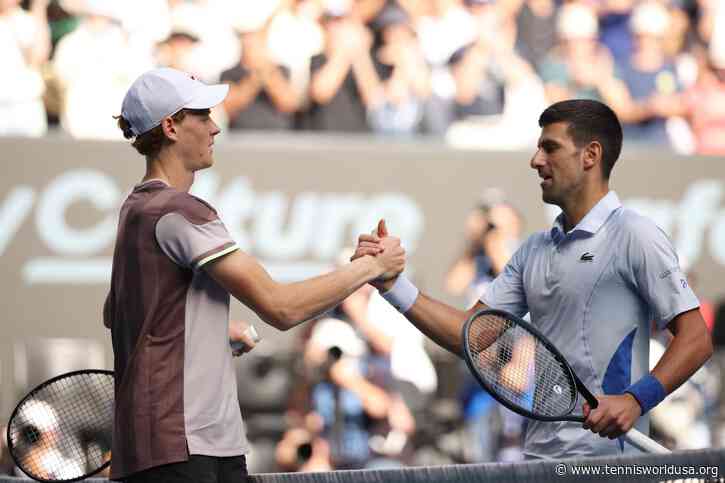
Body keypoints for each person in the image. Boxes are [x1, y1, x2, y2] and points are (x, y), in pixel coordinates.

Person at [353, 99, 713, 459]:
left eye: (550, 147)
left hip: (610, 465)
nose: (535, 160)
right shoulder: (532, 251)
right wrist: (392, 285)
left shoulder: (635, 235)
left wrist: (635, 400)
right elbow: (472, 336)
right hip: (539, 460)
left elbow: (695, 339)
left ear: (590, 155)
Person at [105, 67, 405, 482]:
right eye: (203, 116)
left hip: (162, 446)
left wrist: (209, 330)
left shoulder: (134, 211)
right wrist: (371, 268)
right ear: (171, 127)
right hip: (186, 449)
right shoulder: (181, 211)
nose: (215, 128)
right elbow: (281, 308)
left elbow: (125, 316)